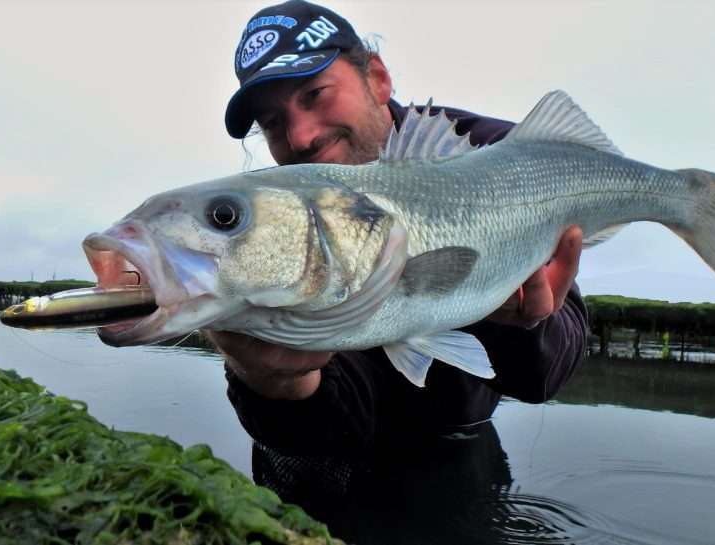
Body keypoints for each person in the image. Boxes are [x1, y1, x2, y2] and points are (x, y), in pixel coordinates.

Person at [212, 0, 588, 464]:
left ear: (377, 77)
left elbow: (545, 376)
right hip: (341, 456)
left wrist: (523, 325)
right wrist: (277, 384)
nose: (300, 136)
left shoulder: (499, 157)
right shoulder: (283, 223)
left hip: (463, 448)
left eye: (314, 94)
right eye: (272, 122)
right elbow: (322, 435)